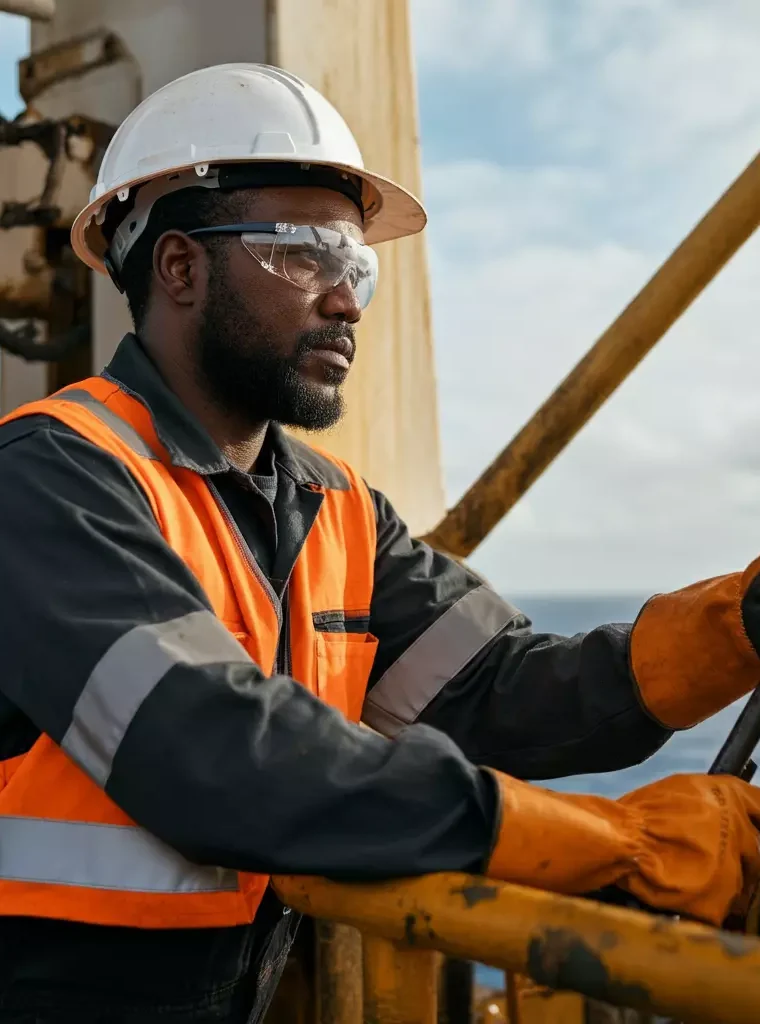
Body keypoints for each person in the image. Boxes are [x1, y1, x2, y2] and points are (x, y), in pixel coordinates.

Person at [0, 63, 759, 1023]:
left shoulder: (334, 506)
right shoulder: (46, 478)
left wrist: (737, 629)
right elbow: (214, 754)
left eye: (355, 265)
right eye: (305, 254)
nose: (347, 301)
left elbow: (500, 691)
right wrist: (625, 846)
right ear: (181, 267)